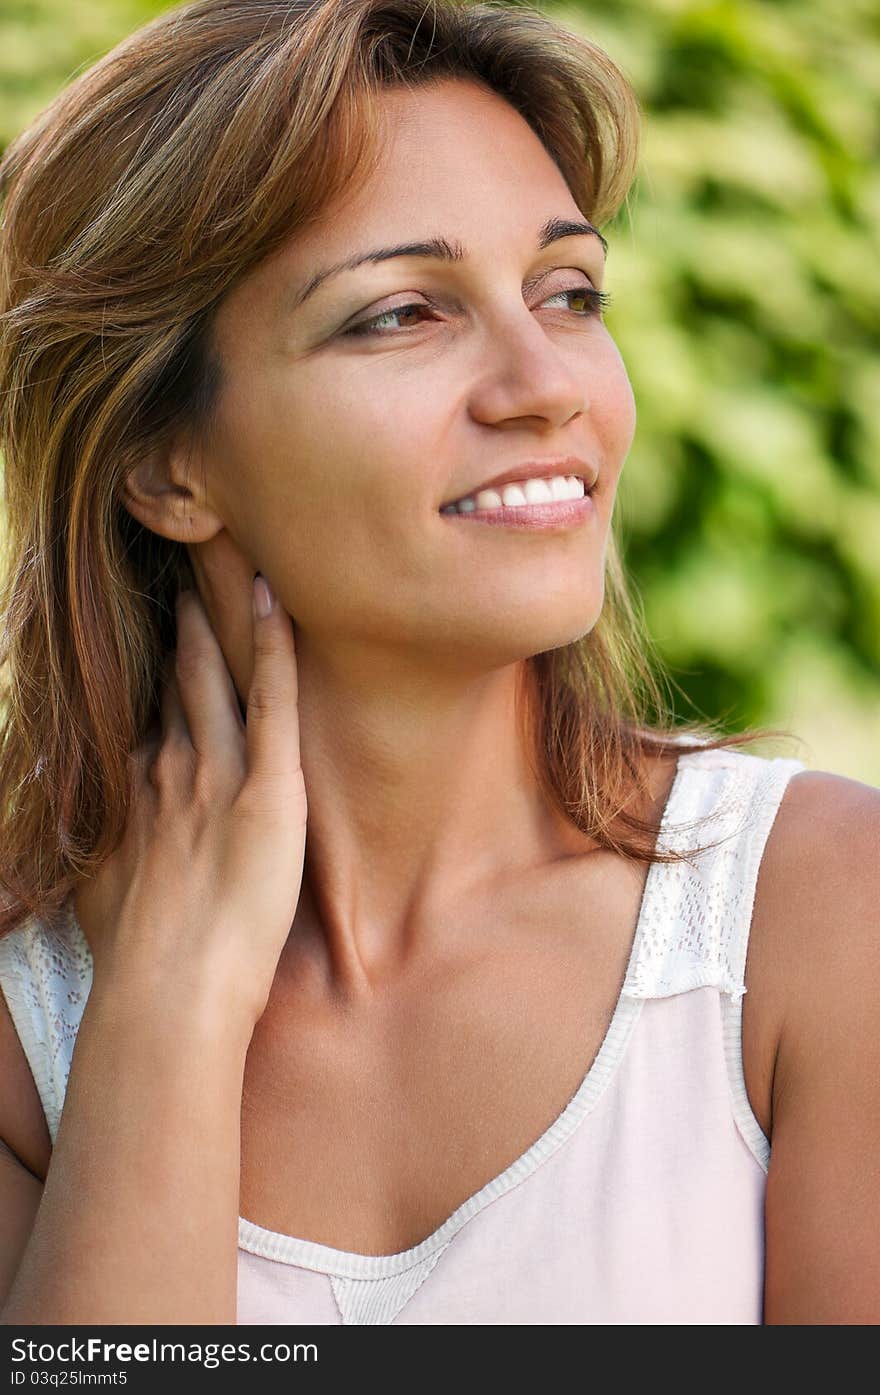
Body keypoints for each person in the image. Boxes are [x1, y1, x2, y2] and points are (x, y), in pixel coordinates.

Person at [0, 0, 877, 1328]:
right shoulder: (25, 1034)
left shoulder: (816, 921)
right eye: (402, 313)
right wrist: (162, 1028)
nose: (546, 384)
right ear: (163, 465)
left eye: (569, 293)